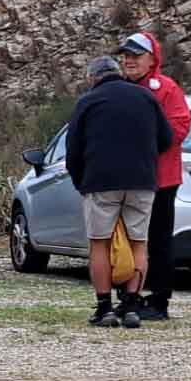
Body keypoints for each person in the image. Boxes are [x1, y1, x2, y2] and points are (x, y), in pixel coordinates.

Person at [65, 56, 174, 328]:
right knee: (139, 243)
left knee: (99, 243)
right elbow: (167, 139)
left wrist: (81, 182)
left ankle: (105, 309)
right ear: (118, 73)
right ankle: (132, 306)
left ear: (93, 78)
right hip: (142, 181)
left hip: (101, 182)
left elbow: (73, 151)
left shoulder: (88, 101)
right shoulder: (146, 97)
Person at [117, 30, 191, 322]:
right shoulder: (119, 87)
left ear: (152, 59)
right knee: (124, 239)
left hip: (160, 179)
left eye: (136, 55)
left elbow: (179, 128)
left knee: (158, 240)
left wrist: (143, 144)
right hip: (126, 178)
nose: (129, 61)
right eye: (126, 56)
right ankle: (128, 295)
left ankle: (159, 299)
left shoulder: (167, 89)